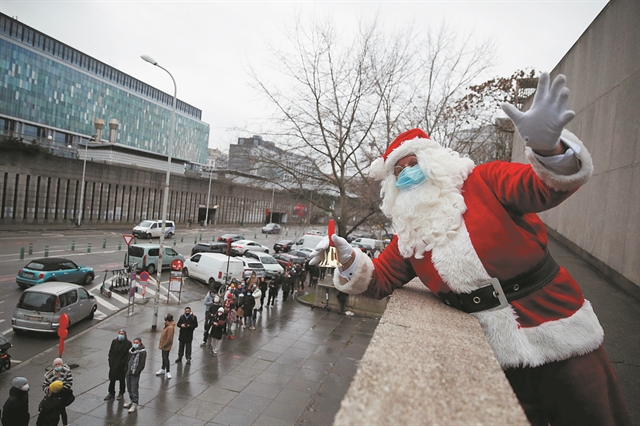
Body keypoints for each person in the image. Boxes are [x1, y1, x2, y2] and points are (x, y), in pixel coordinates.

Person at [309, 73, 631, 426]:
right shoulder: (411, 234)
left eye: (413, 164)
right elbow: (381, 279)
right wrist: (349, 260)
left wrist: (547, 149)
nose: (407, 175)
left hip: (560, 329)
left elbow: (544, 187)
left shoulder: (485, 180)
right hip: (494, 353)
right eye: (398, 172)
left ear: (435, 161)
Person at [42, 357, 73, 426]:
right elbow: (44, 386)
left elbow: (69, 382)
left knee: (62, 410)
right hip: (53, 397)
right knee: (54, 412)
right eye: (56, 364)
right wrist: (50, 391)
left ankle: (65, 423)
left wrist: (62, 389)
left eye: (59, 364)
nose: (58, 366)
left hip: (63, 395)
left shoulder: (66, 371)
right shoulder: (49, 375)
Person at [105, 328, 132, 401]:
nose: (120, 335)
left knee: (122, 380)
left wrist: (124, 364)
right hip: (113, 364)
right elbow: (111, 352)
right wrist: (110, 361)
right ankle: (111, 393)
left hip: (122, 366)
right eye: (120, 334)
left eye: (122, 334)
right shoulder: (114, 342)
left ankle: (121, 393)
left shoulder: (128, 343)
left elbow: (128, 355)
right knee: (112, 379)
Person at [123, 337, 146, 413]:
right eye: (134, 342)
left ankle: (135, 403)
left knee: (134, 388)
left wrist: (137, 372)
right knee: (129, 387)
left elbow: (141, 364)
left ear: (140, 343)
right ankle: (131, 400)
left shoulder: (142, 352)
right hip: (128, 372)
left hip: (134, 373)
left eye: (137, 343)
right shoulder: (131, 350)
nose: (135, 344)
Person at [156, 313, 175, 379]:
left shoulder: (170, 327)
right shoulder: (168, 326)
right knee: (163, 357)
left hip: (166, 345)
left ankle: (168, 371)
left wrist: (164, 344)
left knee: (166, 357)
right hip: (164, 344)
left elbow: (169, 338)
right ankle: (163, 368)